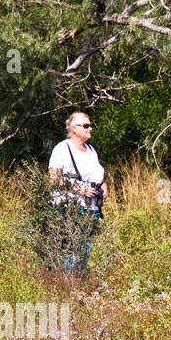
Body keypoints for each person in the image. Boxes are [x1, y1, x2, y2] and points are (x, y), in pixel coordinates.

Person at [48, 111, 106, 272]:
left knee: (85, 251)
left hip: (91, 209)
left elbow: (96, 174)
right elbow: (52, 178)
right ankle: (67, 286)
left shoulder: (91, 150)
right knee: (71, 250)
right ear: (74, 128)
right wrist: (79, 189)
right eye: (86, 125)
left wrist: (103, 186)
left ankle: (79, 285)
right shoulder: (62, 149)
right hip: (70, 208)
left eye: (90, 125)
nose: (90, 129)